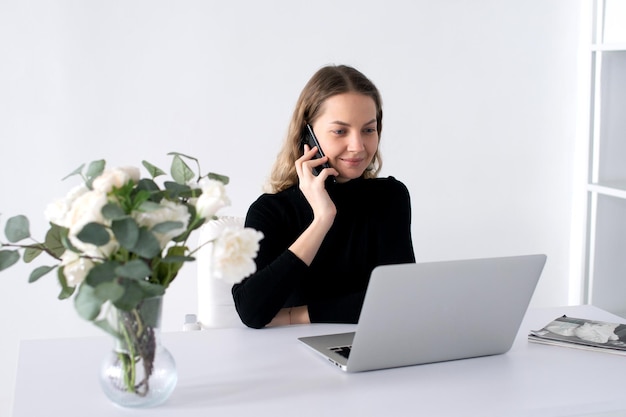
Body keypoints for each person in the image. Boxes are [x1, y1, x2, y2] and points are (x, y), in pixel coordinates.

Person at [232, 64, 415, 329]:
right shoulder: (270, 211)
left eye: (368, 129)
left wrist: (296, 316)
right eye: (340, 131)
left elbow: (398, 300)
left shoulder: (389, 198)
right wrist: (322, 220)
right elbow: (252, 312)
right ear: (309, 135)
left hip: (368, 349)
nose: (358, 146)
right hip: (289, 356)